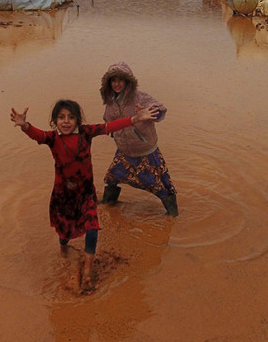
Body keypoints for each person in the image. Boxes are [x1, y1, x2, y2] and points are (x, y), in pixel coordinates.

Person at [11, 99, 159, 292]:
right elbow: (36, 134)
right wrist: (25, 125)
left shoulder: (86, 133)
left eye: (71, 117)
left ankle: (88, 266)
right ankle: (64, 248)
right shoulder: (52, 138)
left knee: (92, 226)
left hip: (86, 194)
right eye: (61, 117)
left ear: (78, 121)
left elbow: (109, 127)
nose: (66, 121)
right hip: (63, 196)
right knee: (64, 232)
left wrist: (134, 119)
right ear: (55, 121)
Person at [99, 62, 179, 216]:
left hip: (145, 151)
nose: (117, 84)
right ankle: (108, 204)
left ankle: (172, 212)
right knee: (112, 176)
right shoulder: (110, 101)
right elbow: (108, 120)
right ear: (109, 83)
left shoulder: (140, 97)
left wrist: (148, 112)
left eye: (121, 80)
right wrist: (111, 132)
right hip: (124, 151)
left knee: (156, 184)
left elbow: (161, 109)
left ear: (128, 81)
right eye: (113, 80)